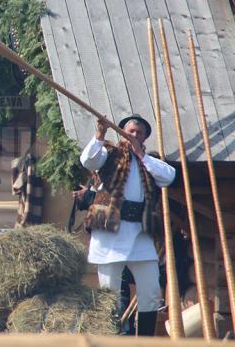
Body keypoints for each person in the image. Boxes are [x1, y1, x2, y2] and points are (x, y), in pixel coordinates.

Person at [80, 114, 175, 336]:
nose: (133, 135)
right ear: (122, 133)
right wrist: (100, 135)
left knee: (151, 290)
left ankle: (144, 340)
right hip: (110, 234)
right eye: (130, 131)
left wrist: (141, 154)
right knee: (109, 294)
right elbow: (88, 160)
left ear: (144, 138)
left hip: (140, 235)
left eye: (138, 133)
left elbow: (169, 176)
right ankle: (109, 339)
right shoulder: (108, 154)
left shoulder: (149, 161)